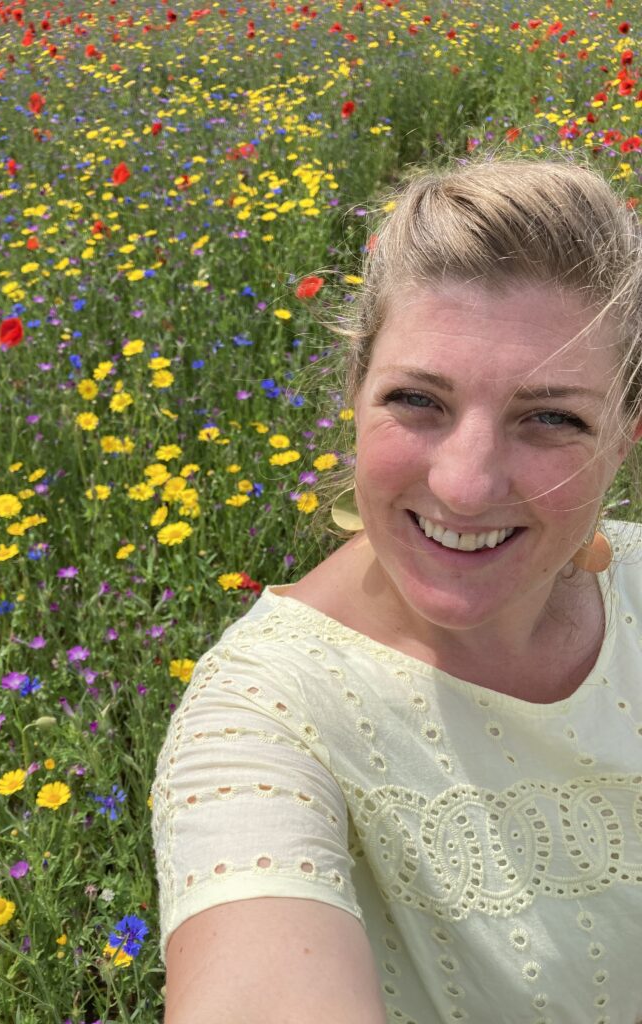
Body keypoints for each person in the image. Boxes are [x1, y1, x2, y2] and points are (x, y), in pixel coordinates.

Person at [151, 155, 642, 1023]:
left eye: (552, 418)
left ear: (624, 440)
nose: (465, 486)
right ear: (355, 394)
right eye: (418, 400)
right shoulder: (263, 716)